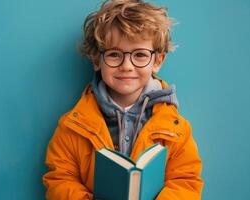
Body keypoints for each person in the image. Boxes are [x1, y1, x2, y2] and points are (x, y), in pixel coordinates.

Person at [42, 0, 204, 199]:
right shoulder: (72, 126)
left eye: (140, 55)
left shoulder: (176, 129)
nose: (126, 66)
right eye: (114, 54)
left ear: (157, 61)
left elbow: (185, 181)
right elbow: (59, 178)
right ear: (96, 60)